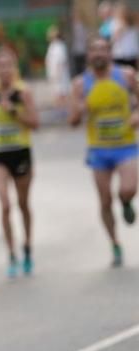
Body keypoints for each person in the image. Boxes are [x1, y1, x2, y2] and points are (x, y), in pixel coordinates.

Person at [69, 36, 139, 268]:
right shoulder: (81, 84)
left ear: (110, 53)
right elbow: (73, 120)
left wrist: (136, 116)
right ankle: (115, 244)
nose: (98, 54)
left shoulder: (126, 75)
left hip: (125, 145)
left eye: (102, 49)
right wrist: (81, 107)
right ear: (88, 55)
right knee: (105, 200)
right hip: (98, 149)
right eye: (94, 50)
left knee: (128, 188)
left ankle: (126, 202)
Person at [0, 46, 39, 278]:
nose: (4, 70)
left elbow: (35, 123)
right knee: (4, 203)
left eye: (8, 65)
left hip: (20, 151)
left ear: (14, 68)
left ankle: (26, 247)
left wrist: (14, 111)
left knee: (23, 204)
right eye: (0, 66)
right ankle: (11, 254)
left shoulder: (23, 92)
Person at [46, 26, 72, 113]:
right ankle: (60, 111)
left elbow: (61, 60)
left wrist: (58, 73)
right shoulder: (52, 45)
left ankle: (63, 111)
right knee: (57, 93)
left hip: (59, 74)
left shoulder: (60, 45)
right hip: (54, 73)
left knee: (61, 93)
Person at [112, 4, 139, 69]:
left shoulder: (134, 24)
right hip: (119, 54)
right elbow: (114, 38)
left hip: (132, 53)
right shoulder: (116, 22)